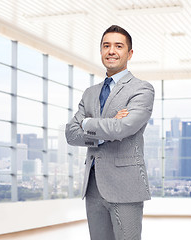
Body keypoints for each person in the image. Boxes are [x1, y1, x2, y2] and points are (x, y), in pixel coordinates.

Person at [65, 25, 155, 240]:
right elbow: (71, 134)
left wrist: (86, 122)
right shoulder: (90, 93)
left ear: (129, 53)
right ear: (101, 51)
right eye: (106, 46)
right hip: (94, 187)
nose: (111, 51)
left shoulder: (142, 89)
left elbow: (123, 128)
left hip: (126, 185)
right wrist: (106, 126)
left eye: (118, 46)